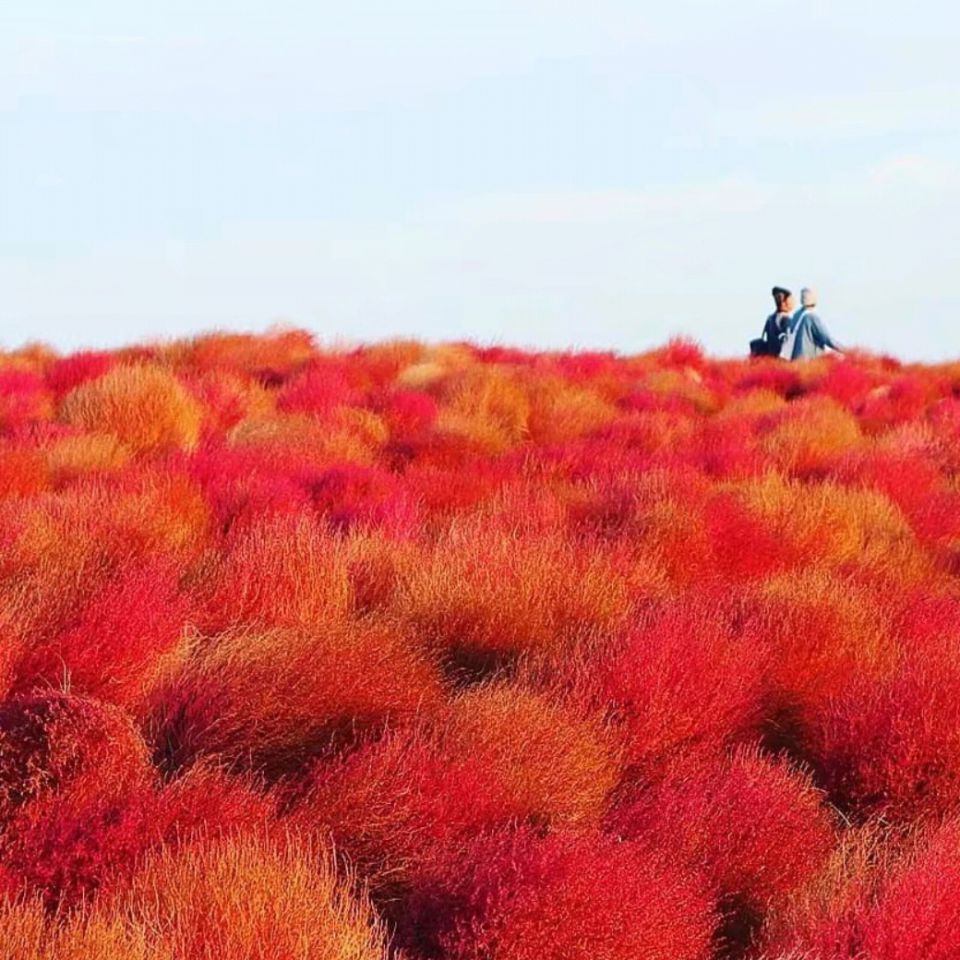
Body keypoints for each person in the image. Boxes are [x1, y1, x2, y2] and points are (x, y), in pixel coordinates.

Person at [781, 287, 843, 361]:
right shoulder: (812, 318)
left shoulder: (797, 315)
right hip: (809, 362)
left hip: (795, 360)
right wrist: (847, 351)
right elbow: (828, 340)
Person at [750, 286, 793, 357]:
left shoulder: (771, 318)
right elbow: (787, 342)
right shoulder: (786, 319)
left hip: (770, 355)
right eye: (791, 299)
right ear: (784, 302)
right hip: (780, 357)